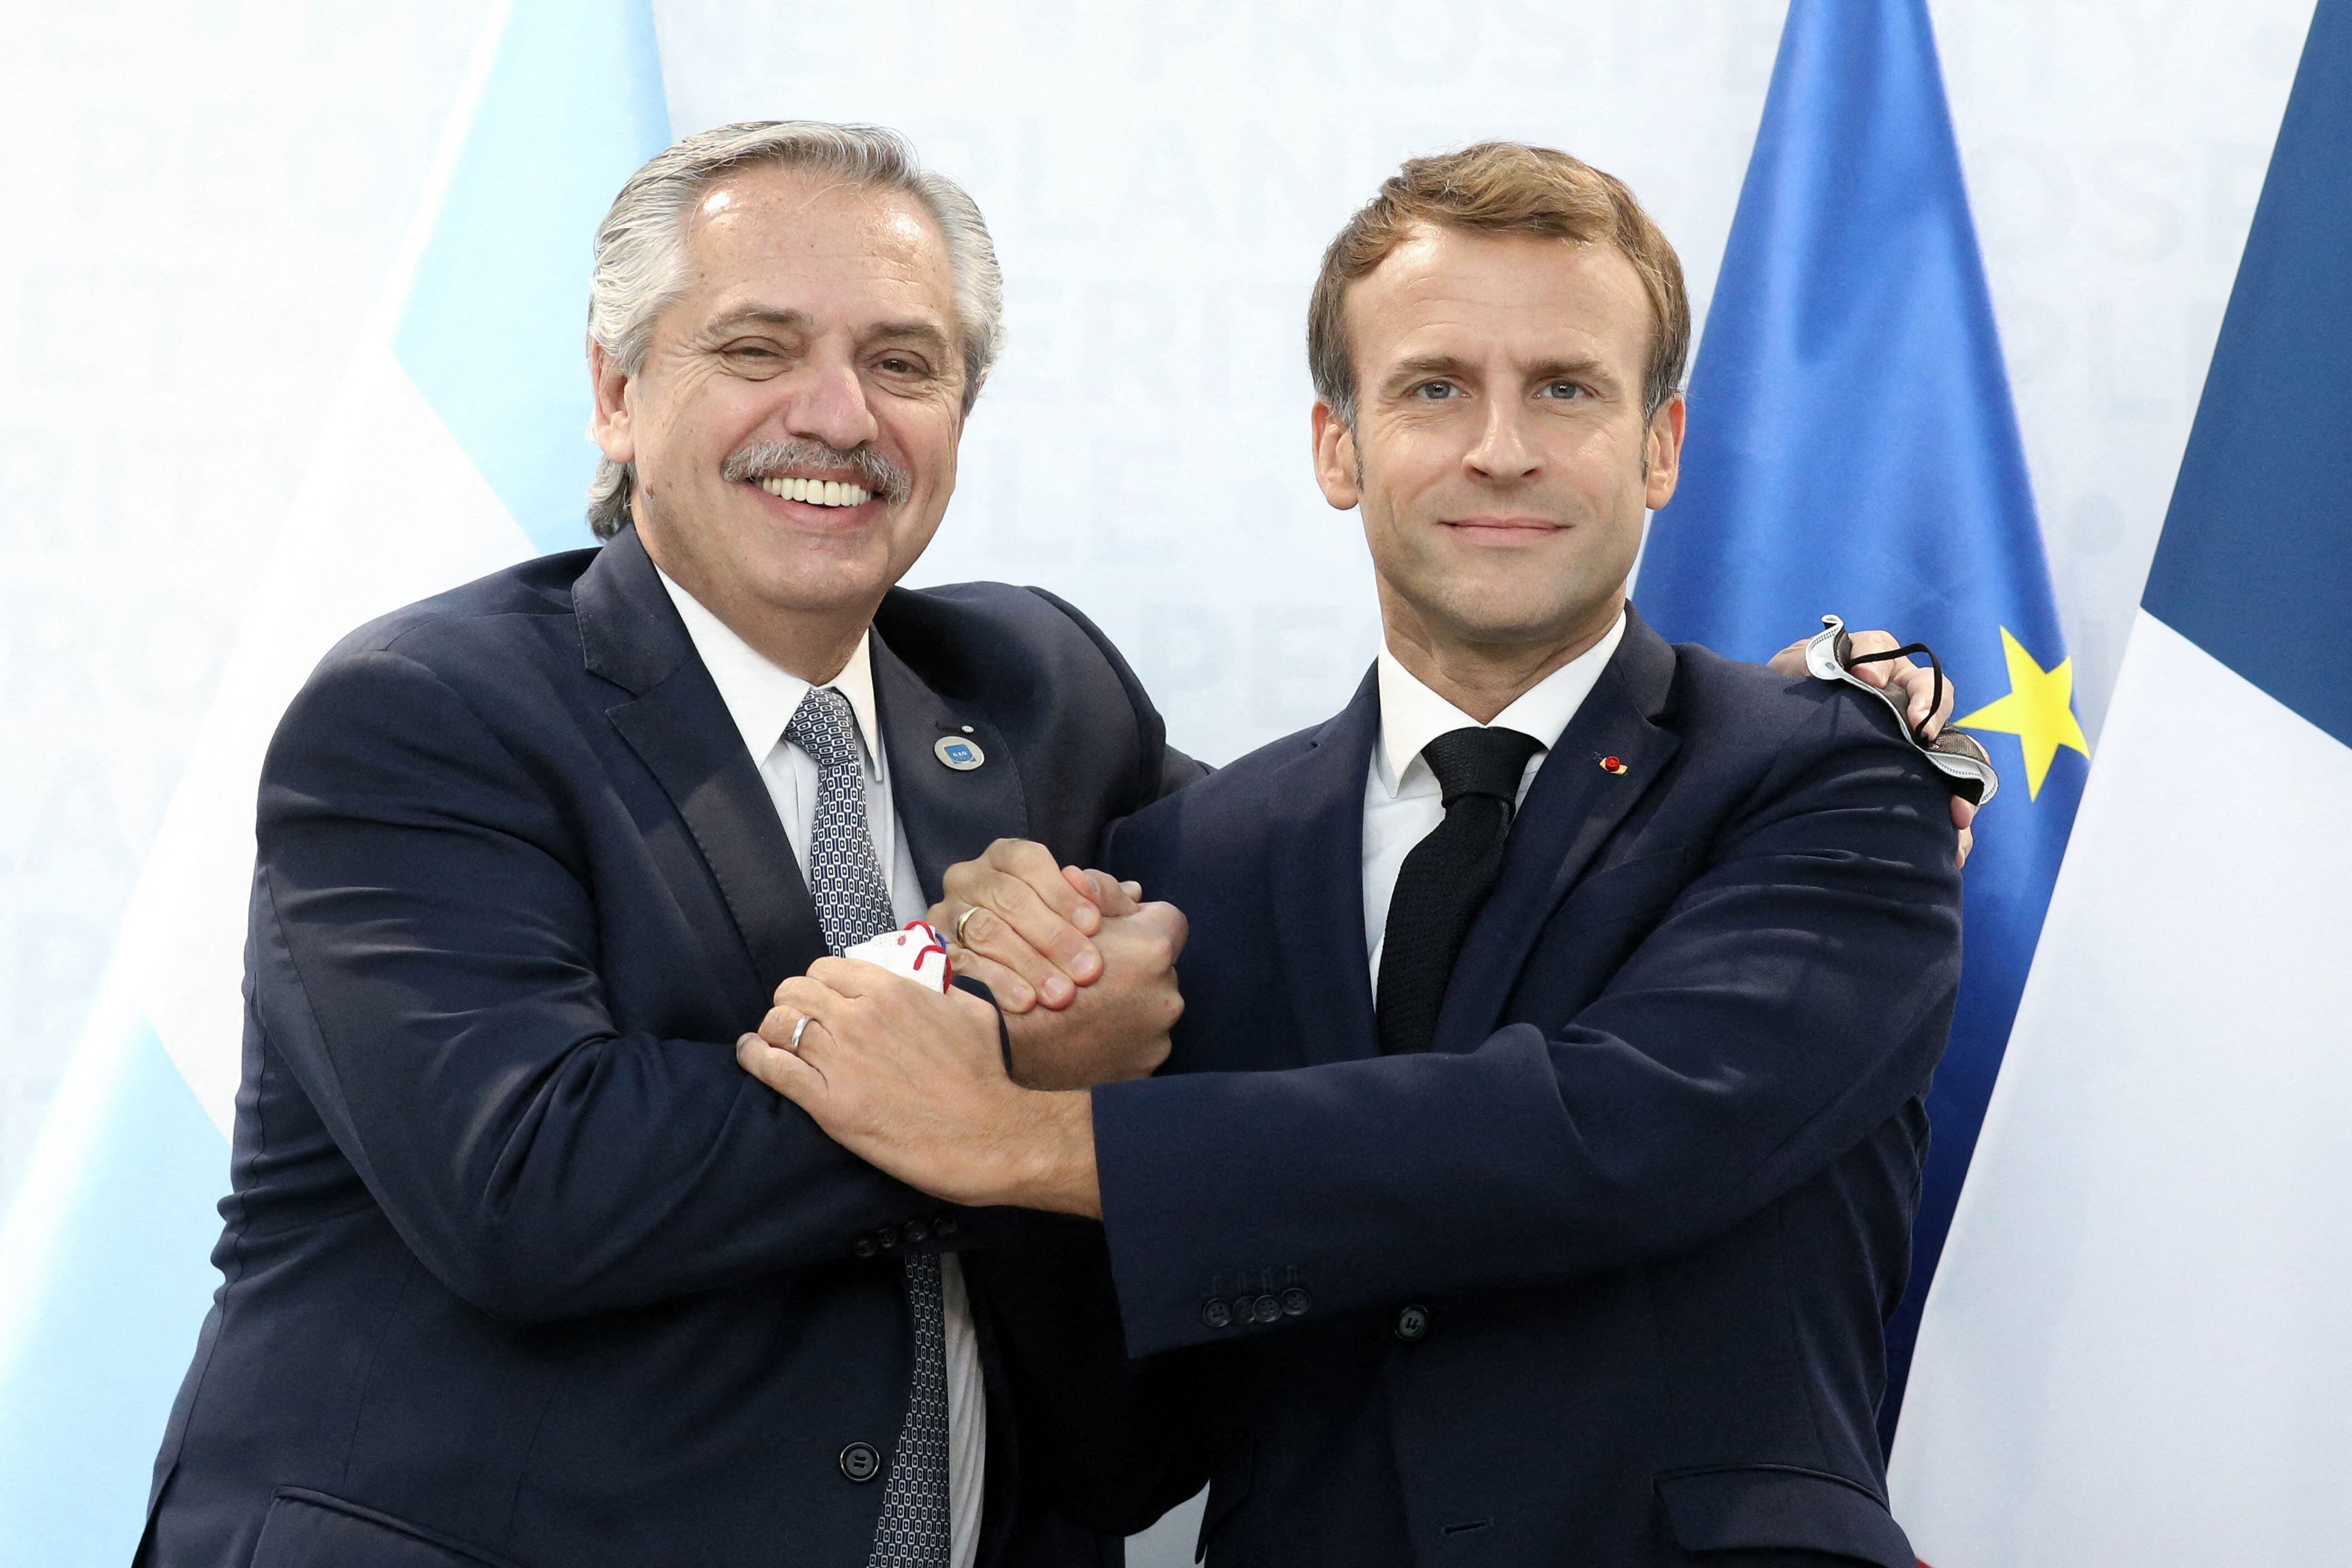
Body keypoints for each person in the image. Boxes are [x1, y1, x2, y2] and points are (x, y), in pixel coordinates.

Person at [745, 142, 1968, 1568]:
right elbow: (1120, 1444)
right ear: (1337, 444)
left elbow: (1611, 1136)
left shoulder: (1830, 773)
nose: (1498, 445)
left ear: (1661, 444)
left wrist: (1021, 1137)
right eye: (1433, 386)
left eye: (1564, 388)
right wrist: (1041, 1071)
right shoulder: (1192, 856)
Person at [138, 121, 1198, 1568]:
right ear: (616, 393)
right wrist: (994, 1027)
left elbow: (1312, 887)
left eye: (902, 364)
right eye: (759, 350)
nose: (838, 415)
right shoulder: (427, 715)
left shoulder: (1041, 690)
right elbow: (530, 1187)